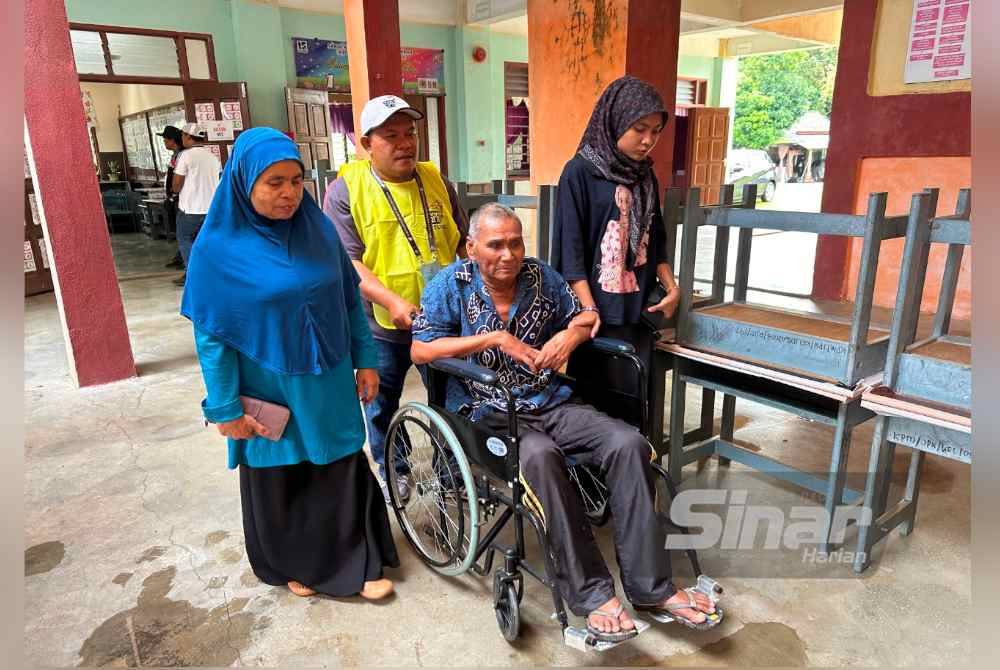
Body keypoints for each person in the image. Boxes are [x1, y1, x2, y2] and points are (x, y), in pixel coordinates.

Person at [411, 203, 722, 642]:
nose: (508, 254)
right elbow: (421, 350)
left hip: (549, 400)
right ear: (472, 247)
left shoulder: (541, 277)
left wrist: (570, 334)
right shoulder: (451, 284)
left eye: (515, 242)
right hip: (489, 411)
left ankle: (651, 587)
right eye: (495, 244)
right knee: (540, 456)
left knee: (627, 443)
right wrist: (496, 338)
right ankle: (593, 594)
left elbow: (586, 315)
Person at [182, 127, 398, 601]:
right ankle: (299, 565)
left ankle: (355, 559)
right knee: (285, 472)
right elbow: (211, 337)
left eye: (296, 181)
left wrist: (365, 359)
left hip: (327, 377)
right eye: (273, 182)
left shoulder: (317, 229)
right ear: (244, 182)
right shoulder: (217, 249)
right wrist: (224, 407)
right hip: (269, 385)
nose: (288, 193)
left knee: (337, 462)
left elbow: (347, 300)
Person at [323, 95, 469, 503]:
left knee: (452, 398)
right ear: (366, 144)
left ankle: (452, 471)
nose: (405, 143)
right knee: (382, 403)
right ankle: (395, 468)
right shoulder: (345, 190)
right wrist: (390, 300)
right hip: (381, 325)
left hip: (442, 322)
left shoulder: (436, 179)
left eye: (410, 134)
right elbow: (348, 262)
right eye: (391, 136)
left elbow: (461, 244)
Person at [552, 76, 681, 396]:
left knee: (638, 404)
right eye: (640, 129)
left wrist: (670, 284)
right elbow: (571, 252)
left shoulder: (645, 175)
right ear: (615, 119)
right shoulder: (579, 172)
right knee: (597, 407)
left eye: (655, 131)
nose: (648, 140)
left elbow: (656, 236)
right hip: (596, 317)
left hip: (639, 313)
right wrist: (589, 309)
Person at [173, 122, 221, 287]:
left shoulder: (185, 156)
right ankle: (211, 275)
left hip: (190, 210)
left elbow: (176, 185)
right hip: (210, 211)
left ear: (187, 136)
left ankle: (193, 276)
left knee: (185, 240)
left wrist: (174, 189)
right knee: (206, 243)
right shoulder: (213, 158)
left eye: (182, 136)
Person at [155, 125, 185, 270]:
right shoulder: (176, 155)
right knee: (180, 230)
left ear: (172, 140)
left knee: (184, 231)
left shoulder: (182, 155)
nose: (164, 143)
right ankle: (180, 257)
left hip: (181, 199)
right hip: (175, 198)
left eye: (165, 140)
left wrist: (173, 194)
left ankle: (185, 262)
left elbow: (179, 178)